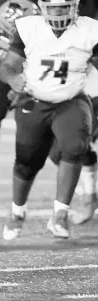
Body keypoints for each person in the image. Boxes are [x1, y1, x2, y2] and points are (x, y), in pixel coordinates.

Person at [0, 0, 98, 240]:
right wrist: (12, 78)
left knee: (75, 147)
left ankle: (60, 214)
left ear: (74, 6)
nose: (58, 12)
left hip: (71, 100)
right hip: (34, 101)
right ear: (42, 7)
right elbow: (6, 66)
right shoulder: (27, 28)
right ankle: (18, 211)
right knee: (27, 162)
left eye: (64, 7)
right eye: (53, 7)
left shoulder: (89, 30)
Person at [49, 65, 98, 225]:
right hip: (63, 95)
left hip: (90, 95)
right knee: (56, 151)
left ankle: (89, 198)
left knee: (76, 147)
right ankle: (87, 193)